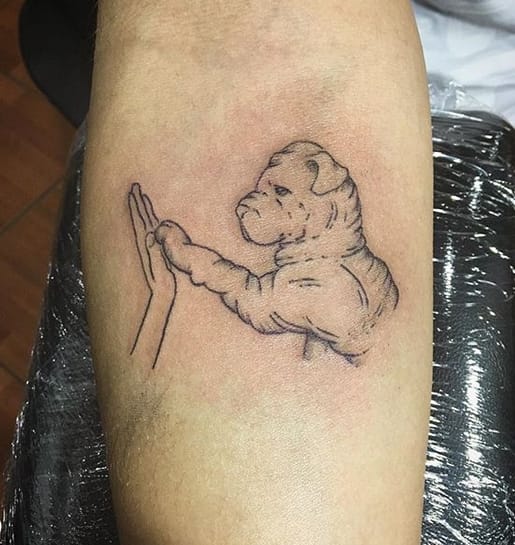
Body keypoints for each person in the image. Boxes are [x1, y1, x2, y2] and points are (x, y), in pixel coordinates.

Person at [82, 1, 433, 543]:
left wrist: (188, 255)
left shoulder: (324, 287)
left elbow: (252, 297)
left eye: (280, 194)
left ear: (322, 211)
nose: (253, 201)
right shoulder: (339, 261)